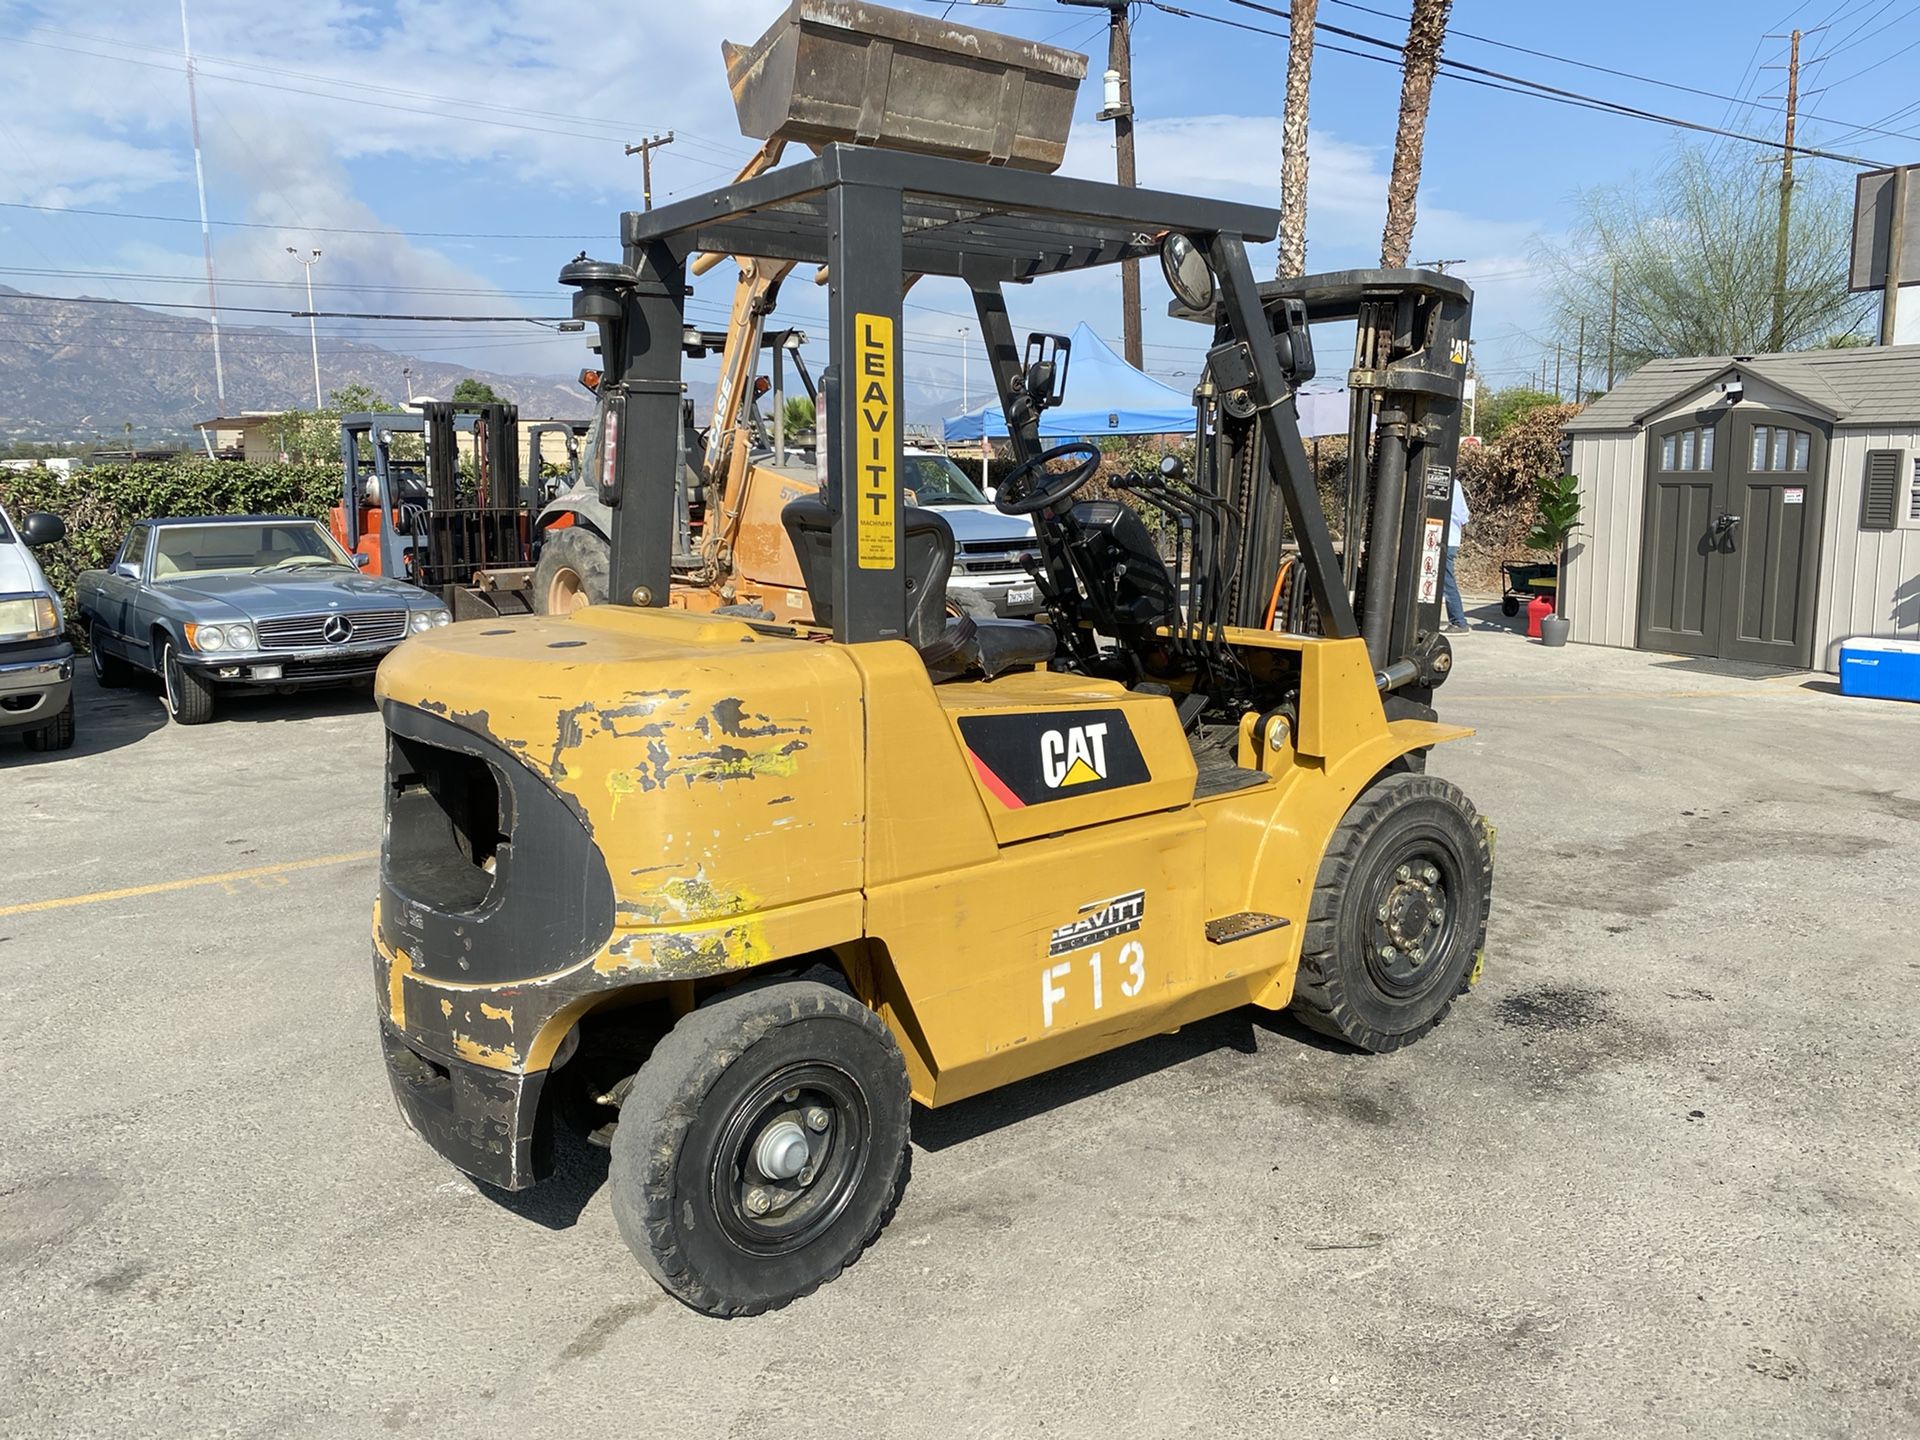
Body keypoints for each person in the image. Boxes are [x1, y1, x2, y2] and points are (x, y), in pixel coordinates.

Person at [1442, 475, 1470, 633]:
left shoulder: (1443, 483)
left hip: (1444, 539)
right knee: (1445, 579)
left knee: (1447, 581)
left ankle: (1459, 621)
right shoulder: (1456, 484)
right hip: (1452, 538)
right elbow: (1464, 515)